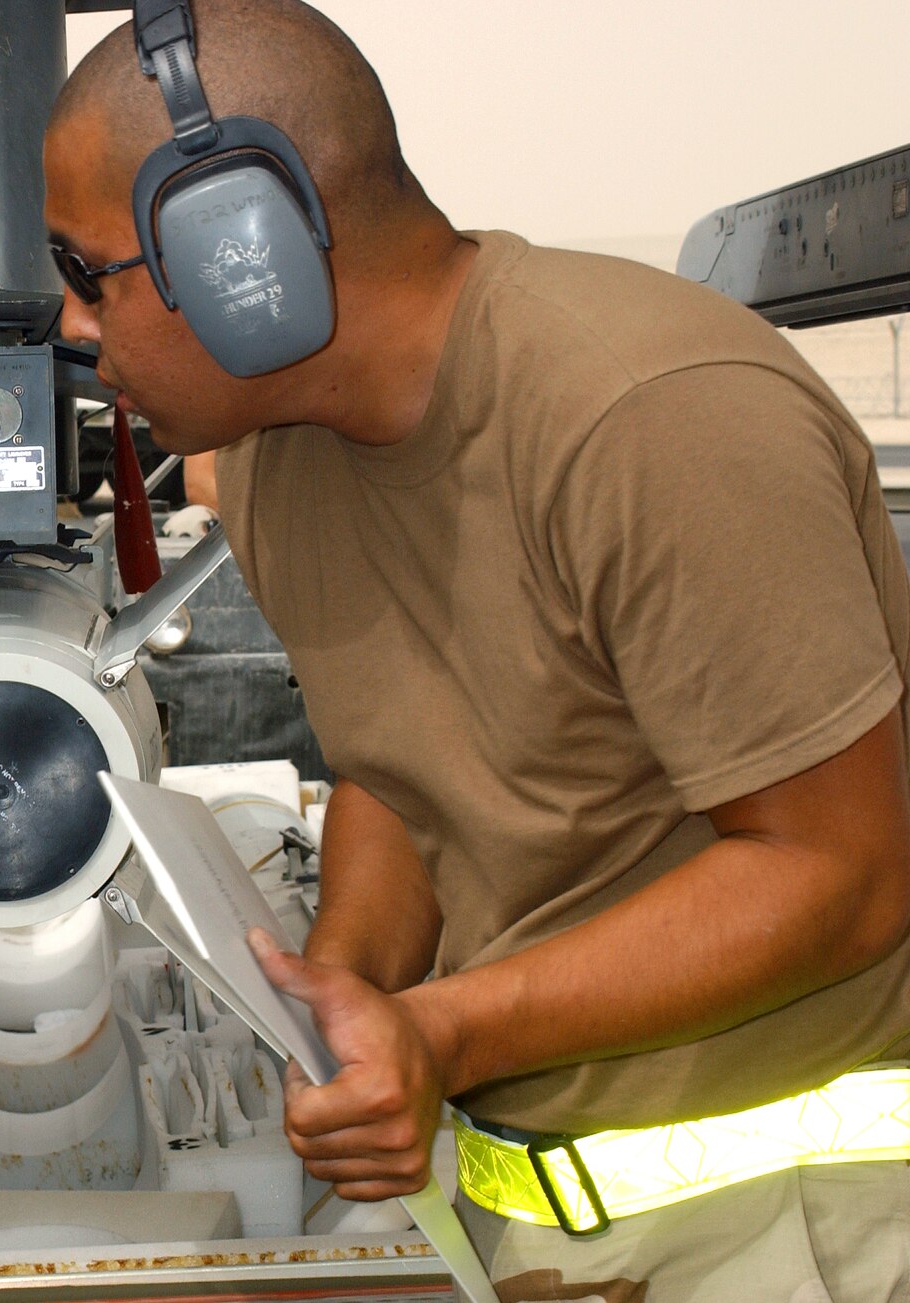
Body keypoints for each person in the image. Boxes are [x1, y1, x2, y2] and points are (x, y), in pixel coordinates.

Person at [45, 2, 910, 1297]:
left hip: (803, 1239)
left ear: (241, 252)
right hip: (546, 1233)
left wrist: (437, 1028)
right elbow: (406, 777)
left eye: (84, 269)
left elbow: (838, 872)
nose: (70, 326)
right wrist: (340, 987)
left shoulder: (648, 417)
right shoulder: (284, 462)